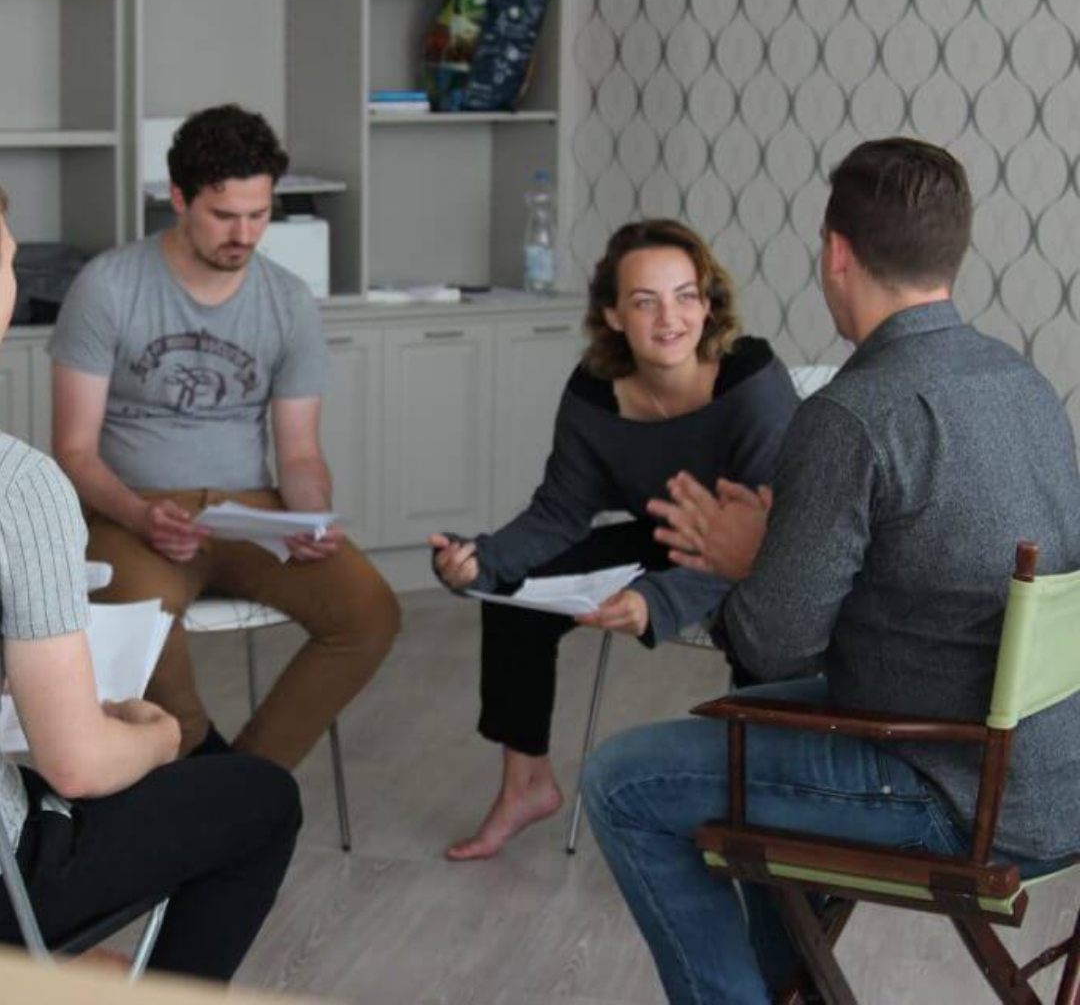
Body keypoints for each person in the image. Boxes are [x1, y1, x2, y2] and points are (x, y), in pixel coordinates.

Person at [581, 138, 1080, 1003]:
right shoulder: (1022, 382)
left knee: (623, 779)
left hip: (949, 784)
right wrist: (798, 541)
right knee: (747, 734)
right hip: (1055, 766)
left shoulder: (852, 414)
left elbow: (776, 644)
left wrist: (750, 556)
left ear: (836, 252)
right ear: (949, 253)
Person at [0, 182, 301, 980]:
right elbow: (77, 767)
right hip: (6, 876)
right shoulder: (15, 486)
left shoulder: (283, 299)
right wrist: (162, 735)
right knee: (261, 799)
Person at [429, 219, 799, 860]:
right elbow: (559, 513)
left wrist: (657, 601)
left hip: (764, 554)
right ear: (613, 315)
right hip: (663, 541)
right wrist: (477, 562)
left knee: (759, 624)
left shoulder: (750, 382)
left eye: (686, 296)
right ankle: (527, 785)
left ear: (709, 305)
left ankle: (764, 811)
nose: (669, 318)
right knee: (517, 597)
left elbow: (775, 531)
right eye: (645, 301)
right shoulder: (595, 394)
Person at [48, 104, 401, 766]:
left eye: (259, 213)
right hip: (135, 509)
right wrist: (137, 513)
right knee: (129, 612)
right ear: (178, 198)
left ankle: (246, 781)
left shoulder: (288, 300)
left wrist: (309, 513)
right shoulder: (108, 286)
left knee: (370, 612)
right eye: (223, 214)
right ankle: (192, 763)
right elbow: (72, 449)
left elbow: (298, 450)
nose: (244, 234)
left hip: (251, 511)